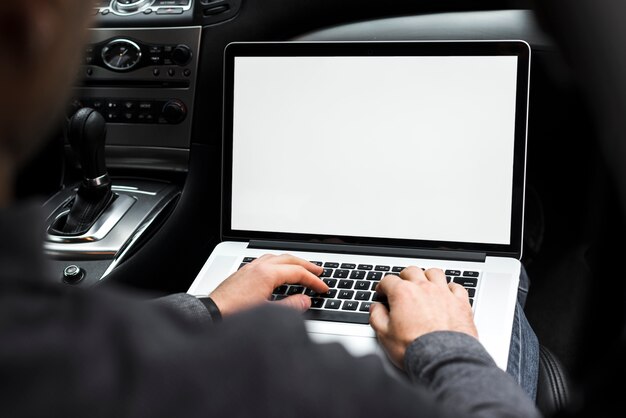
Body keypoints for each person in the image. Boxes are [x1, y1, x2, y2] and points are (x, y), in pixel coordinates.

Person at [0, 1, 540, 417]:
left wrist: (203, 310)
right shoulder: (273, 379)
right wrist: (445, 346)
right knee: (498, 309)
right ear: (28, 25)